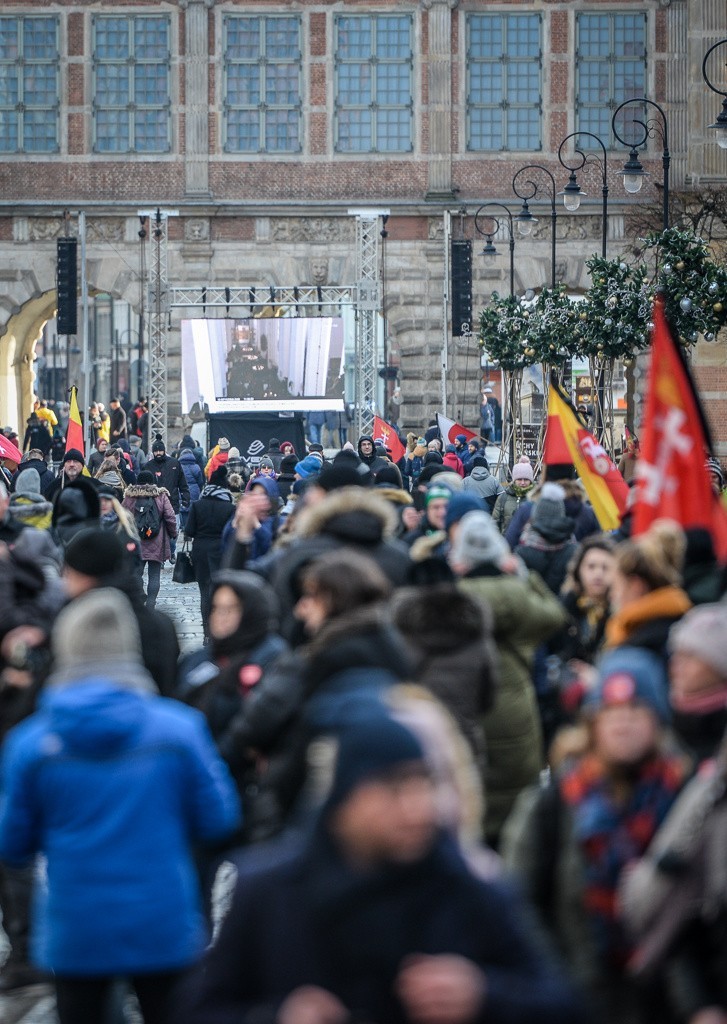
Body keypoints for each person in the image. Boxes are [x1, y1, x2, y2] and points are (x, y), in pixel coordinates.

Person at [178, 714, 586, 1024]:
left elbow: (564, 1002)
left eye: (422, 784)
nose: (416, 808)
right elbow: (200, 1009)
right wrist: (276, 1016)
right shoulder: (267, 892)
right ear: (344, 800)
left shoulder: (468, 889)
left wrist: (483, 994)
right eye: (393, 789)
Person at [0, 588, 240, 1024]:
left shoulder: (30, 745)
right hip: (162, 918)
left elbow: (13, 843)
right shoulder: (179, 731)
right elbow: (219, 818)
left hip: (77, 925)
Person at [502, 649, 687, 1024]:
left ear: (658, 720)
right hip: (578, 1001)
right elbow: (518, 905)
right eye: (610, 711)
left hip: (667, 1002)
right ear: (592, 722)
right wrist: (555, 986)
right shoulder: (555, 802)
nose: (623, 723)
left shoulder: (684, 796)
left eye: (636, 709)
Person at [450, 510, 568, 846]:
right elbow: (555, 616)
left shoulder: (454, 599)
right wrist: (524, 576)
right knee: (518, 814)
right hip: (516, 711)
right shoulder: (517, 597)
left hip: (466, 710)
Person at [185, 467, 235, 640]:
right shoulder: (229, 507)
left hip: (200, 551)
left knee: (204, 593)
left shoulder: (198, 505)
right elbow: (232, 532)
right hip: (221, 551)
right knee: (219, 591)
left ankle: (207, 632)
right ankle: (218, 631)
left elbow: (189, 530)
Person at [122, 469, 178, 609]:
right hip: (156, 540)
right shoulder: (160, 496)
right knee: (154, 576)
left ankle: (140, 599)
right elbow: (170, 517)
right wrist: (173, 534)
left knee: (137, 573)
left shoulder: (129, 496)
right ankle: (151, 604)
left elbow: (122, 517)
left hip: (136, 541)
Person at [492, 457, 534, 534]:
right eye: (519, 479)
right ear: (514, 480)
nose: (522, 483)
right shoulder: (503, 498)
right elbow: (495, 524)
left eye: (526, 479)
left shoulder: (536, 498)